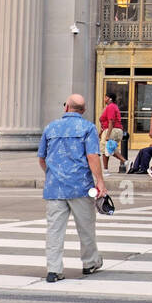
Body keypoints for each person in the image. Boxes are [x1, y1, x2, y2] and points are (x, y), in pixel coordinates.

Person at [38, 94, 106, 283]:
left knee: (54, 230)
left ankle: (54, 269)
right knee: (86, 227)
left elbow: (42, 158)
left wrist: (51, 174)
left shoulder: (50, 127)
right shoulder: (88, 128)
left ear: (66, 107)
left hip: (54, 188)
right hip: (80, 186)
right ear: (83, 111)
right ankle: (90, 262)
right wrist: (99, 180)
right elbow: (92, 156)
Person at [98, 93, 126, 174]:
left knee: (104, 150)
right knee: (110, 149)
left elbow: (111, 121)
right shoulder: (112, 107)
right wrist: (101, 132)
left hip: (112, 130)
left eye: (106, 97)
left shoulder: (111, 107)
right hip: (112, 130)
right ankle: (125, 161)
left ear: (110, 99)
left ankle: (106, 170)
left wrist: (107, 135)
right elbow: (105, 122)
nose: (104, 99)